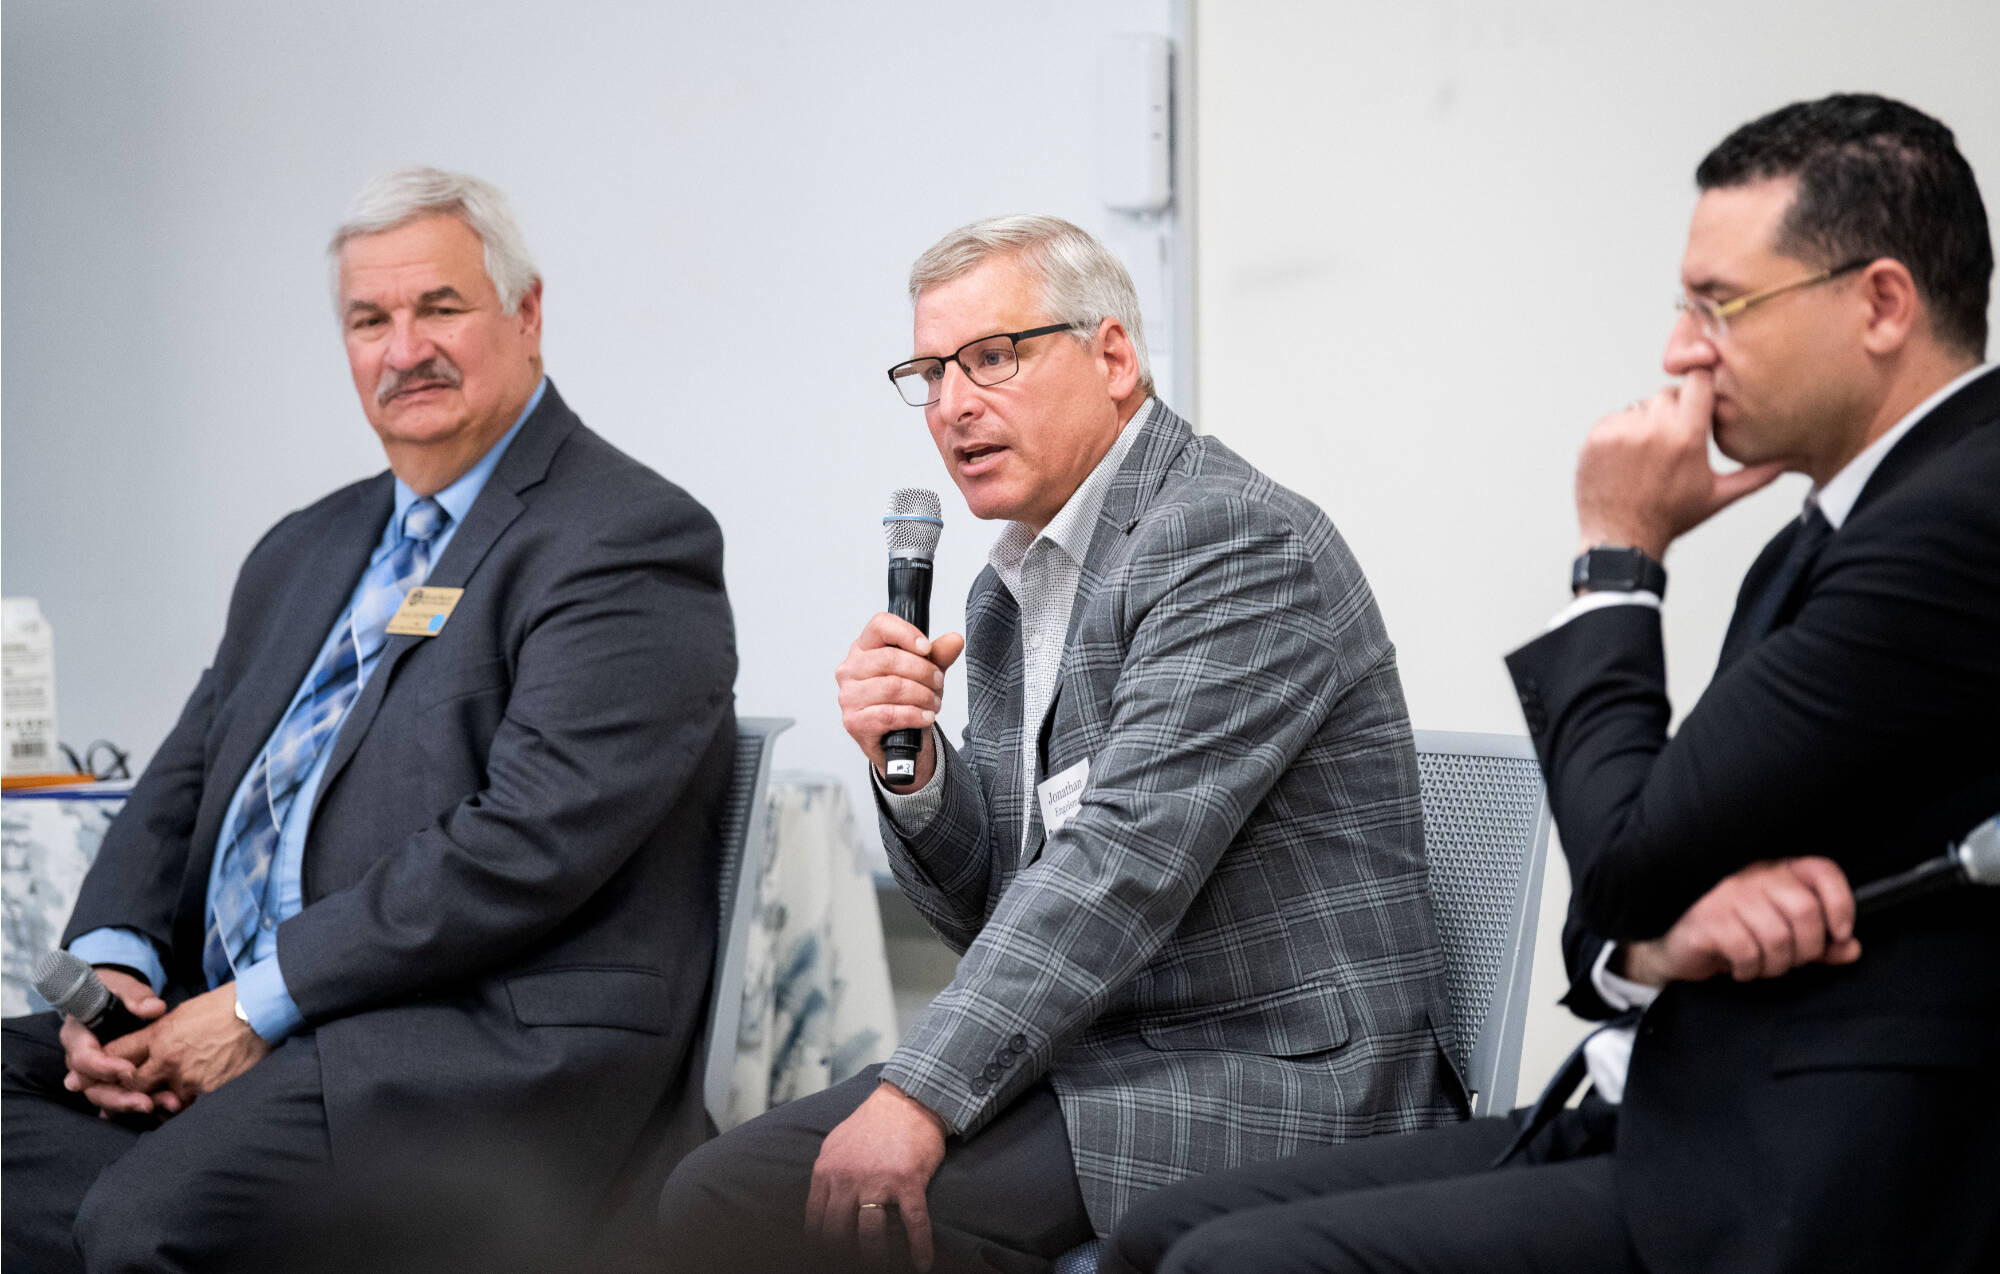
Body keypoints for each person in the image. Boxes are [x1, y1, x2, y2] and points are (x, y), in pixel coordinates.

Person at [1108, 92, 2000, 1274]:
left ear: (1880, 302)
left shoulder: (1954, 523)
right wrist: (1657, 944)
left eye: (1720, 305)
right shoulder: (1832, 529)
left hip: (1797, 1169)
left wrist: (1616, 557)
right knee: (1155, 1232)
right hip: (1673, 1102)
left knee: (1230, 1264)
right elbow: (1624, 891)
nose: (1680, 351)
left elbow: (1624, 852)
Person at [658, 215, 1465, 1273]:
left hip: (1268, 1075)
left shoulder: (1228, 538)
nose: (953, 404)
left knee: (763, 1204)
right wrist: (915, 767)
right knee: (731, 1184)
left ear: (1113, 357)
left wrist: (918, 1094)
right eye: (929, 374)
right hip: (1103, 1055)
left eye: (992, 357)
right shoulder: (1009, 586)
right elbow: (996, 904)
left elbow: (1118, 864)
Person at [1, 167, 738, 1274]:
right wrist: (111, 969)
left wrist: (256, 1006)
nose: (405, 349)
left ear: (526, 313)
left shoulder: (624, 538)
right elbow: (184, 780)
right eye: (369, 320)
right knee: (104, 1190)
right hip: (266, 1021)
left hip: (472, 1042)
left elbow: (526, 840)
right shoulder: (304, 547)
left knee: (147, 1216)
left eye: (440, 307)